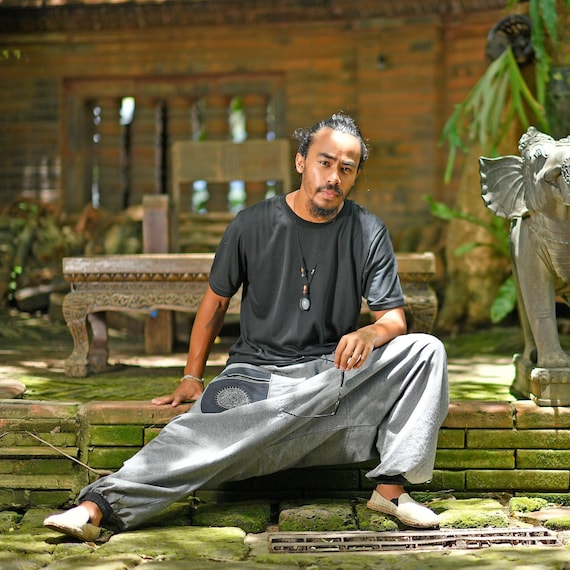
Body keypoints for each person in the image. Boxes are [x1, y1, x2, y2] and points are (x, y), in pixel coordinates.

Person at [44, 112, 449, 541]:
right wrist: (192, 376)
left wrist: (370, 332)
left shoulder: (368, 230)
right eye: (324, 162)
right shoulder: (252, 223)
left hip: (330, 377)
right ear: (301, 162)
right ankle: (98, 506)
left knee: (427, 351)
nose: (334, 177)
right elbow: (215, 303)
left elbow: (394, 320)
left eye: (346, 169)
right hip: (255, 380)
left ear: (354, 176)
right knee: (210, 424)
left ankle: (390, 491)